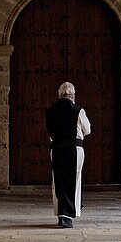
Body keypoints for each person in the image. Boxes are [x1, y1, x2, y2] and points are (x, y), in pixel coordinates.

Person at [45, 81, 91, 228]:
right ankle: (69, 214)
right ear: (73, 95)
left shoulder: (51, 111)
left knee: (58, 182)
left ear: (59, 95)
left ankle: (61, 214)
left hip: (57, 149)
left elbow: (50, 131)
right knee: (74, 181)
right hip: (74, 149)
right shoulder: (78, 111)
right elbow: (88, 129)